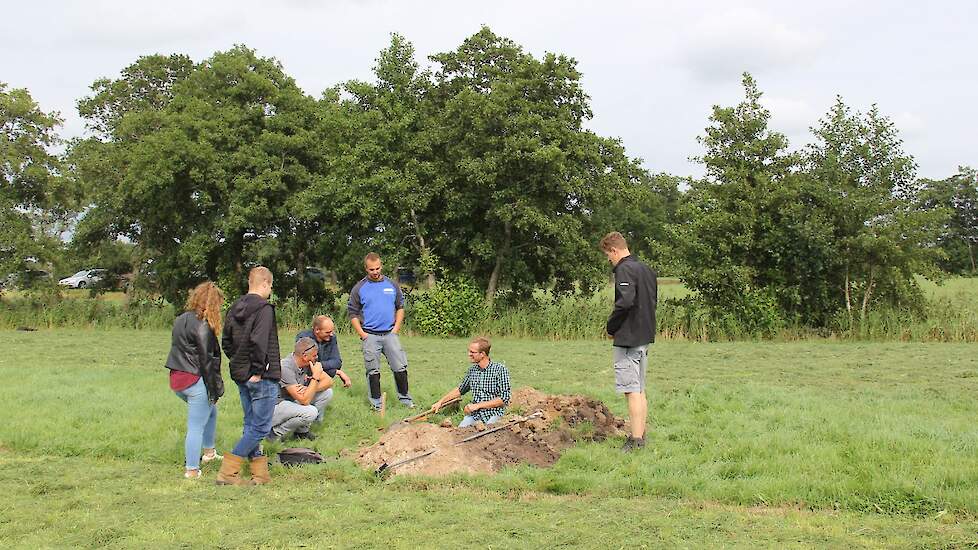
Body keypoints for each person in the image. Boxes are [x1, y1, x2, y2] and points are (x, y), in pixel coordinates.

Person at [217, 266, 281, 485]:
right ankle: (227, 472)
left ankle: (260, 474)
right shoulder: (264, 309)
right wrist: (256, 370)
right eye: (270, 286)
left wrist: (238, 362)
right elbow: (259, 341)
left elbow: (226, 341)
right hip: (260, 376)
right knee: (261, 427)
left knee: (251, 424)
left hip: (240, 374)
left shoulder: (234, 308)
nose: (270, 290)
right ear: (265, 283)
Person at [600, 231, 657, 452]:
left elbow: (624, 303)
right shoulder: (646, 270)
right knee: (640, 388)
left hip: (628, 339)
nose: (609, 260)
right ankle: (641, 434)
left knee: (631, 389)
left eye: (608, 255)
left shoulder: (624, 269)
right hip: (644, 336)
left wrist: (611, 328)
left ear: (614, 250)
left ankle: (635, 441)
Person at [165, 281, 225, 479]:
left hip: (177, 379)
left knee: (211, 412)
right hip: (196, 380)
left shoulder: (180, 319)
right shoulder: (204, 326)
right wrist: (216, 390)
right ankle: (191, 470)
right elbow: (208, 362)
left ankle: (209, 453)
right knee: (196, 426)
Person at [347, 252, 413, 409]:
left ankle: (405, 400)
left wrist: (396, 329)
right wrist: (362, 334)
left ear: (381, 266)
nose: (375, 272)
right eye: (371, 269)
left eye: (377, 268)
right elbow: (352, 313)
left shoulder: (392, 285)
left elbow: (400, 307)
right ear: (366, 269)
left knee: (400, 367)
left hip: (390, 334)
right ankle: (376, 404)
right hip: (370, 336)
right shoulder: (359, 288)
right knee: (373, 371)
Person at [431, 337, 511, 427]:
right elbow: (460, 390)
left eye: (472, 352)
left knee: (489, 433)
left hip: (494, 414)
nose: (469, 354)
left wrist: (478, 405)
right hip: (475, 415)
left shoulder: (500, 370)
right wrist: (440, 402)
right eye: (469, 351)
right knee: (460, 432)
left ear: (482, 354)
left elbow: (504, 399)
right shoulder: (472, 371)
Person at [268, 337, 334, 441]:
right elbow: (304, 400)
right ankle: (274, 434)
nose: (316, 358)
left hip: (292, 401)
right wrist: (315, 377)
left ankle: (301, 432)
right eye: (314, 355)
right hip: (275, 406)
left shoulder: (308, 364)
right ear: (304, 356)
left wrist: (308, 388)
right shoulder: (285, 367)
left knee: (327, 393)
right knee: (311, 412)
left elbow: (329, 381)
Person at [295, 315, 351, 388]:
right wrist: (336, 372)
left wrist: (320, 365)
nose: (331, 334)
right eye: (327, 332)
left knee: (328, 392)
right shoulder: (304, 338)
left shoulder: (332, 338)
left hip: (319, 377)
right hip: (303, 378)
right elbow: (308, 365)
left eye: (332, 331)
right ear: (317, 330)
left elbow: (337, 362)